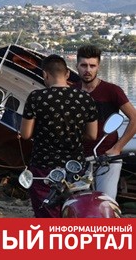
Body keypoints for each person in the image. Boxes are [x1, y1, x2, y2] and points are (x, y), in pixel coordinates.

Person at [20, 54, 98, 217]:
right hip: (75, 167)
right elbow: (92, 135)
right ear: (67, 74)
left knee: (47, 214)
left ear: (45, 74)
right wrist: (73, 134)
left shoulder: (36, 97)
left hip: (44, 167)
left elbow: (25, 134)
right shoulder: (85, 98)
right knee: (73, 212)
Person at [75, 44, 136, 200]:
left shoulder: (112, 90)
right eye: (83, 65)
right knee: (78, 202)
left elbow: (134, 118)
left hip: (107, 157)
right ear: (77, 66)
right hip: (79, 158)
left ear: (98, 67)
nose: (88, 70)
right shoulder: (72, 92)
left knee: (105, 201)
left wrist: (117, 148)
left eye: (92, 66)